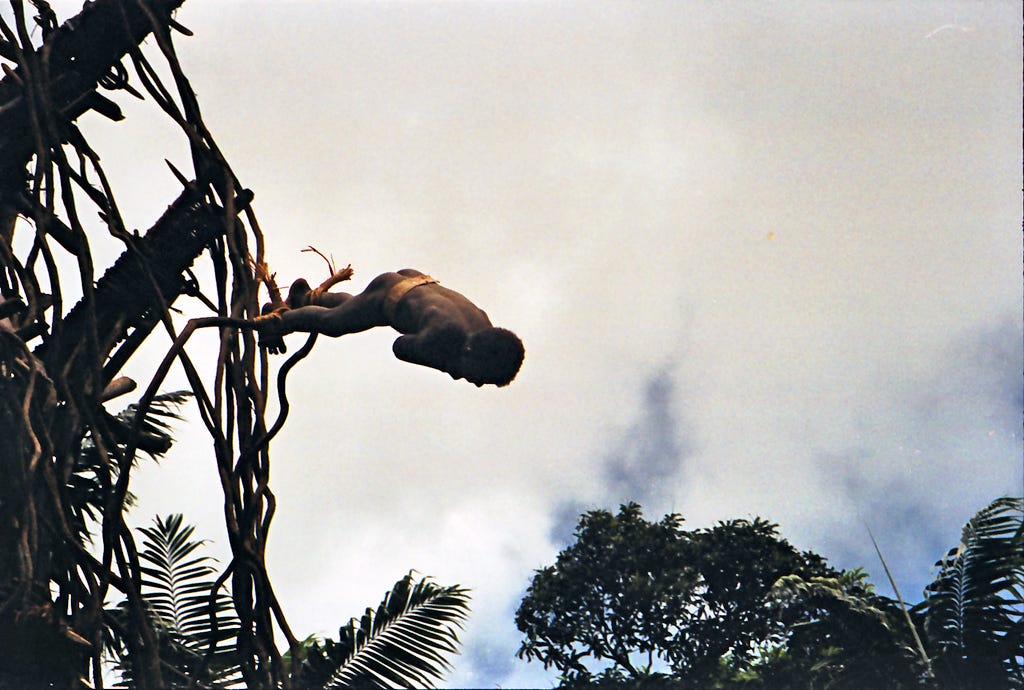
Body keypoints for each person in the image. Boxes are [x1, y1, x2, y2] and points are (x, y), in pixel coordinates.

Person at [255, 269, 524, 387]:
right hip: (391, 297)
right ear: (471, 356)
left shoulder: (482, 326)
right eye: (481, 378)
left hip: (419, 285)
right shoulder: (445, 337)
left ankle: (309, 299)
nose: (476, 383)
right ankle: (280, 320)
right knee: (334, 323)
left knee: (356, 312)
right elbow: (401, 347)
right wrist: (445, 362)